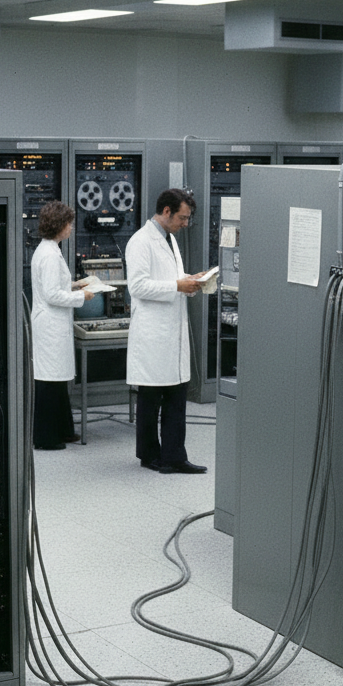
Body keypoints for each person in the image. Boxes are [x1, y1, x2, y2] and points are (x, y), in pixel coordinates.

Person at [125, 187, 206, 474]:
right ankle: (149, 455)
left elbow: (168, 277)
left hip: (171, 332)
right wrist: (176, 285)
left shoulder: (169, 239)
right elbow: (137, 286)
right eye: (182, 218)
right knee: (151, 399)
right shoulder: (140, 241)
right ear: (167, 211)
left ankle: (174, 456)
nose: (185, 224)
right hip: (153, 333)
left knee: (175, 396)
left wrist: (190, 280)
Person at [31, 201, 94, 450]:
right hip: (49, 327)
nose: (71, 228)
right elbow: (51, 295)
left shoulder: (51, 250)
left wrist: (76, 285)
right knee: (48, 382)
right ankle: (46, 438)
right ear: (59, 225)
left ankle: (64, 430)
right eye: (68, 224)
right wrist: (83, 297)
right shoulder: (48, 255)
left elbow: (55, 287)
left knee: (56, 381)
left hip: (54, 325)